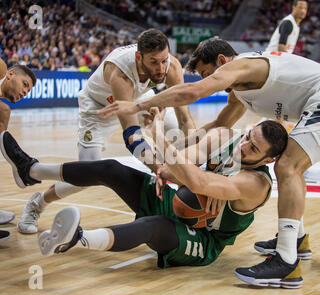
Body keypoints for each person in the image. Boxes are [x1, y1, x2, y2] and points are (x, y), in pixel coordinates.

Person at [98, 38, 320, 288]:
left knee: (287, 166)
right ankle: (295, 239)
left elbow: (194, 91)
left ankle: (286, 261)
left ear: (223, 61)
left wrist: (138, 105)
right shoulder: (240, 88)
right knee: (290, 164)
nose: (209, 80)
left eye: (208, 73)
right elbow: (220, 127)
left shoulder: (243, 66)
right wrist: (176, 151)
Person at [0, 114, 289, 276]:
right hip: (177, 202)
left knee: (153, 226)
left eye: (253, 149)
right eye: (249, 137)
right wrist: (173, 172)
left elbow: (197, 180)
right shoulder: (228, 137)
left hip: (204, 239)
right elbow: (178, 167)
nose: (244, 147)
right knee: (113, 169)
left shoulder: (256, 183)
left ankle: (76, 239)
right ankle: (32, 170)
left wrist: (159, 134)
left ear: (267, 161)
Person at [18, 28, 196, 234]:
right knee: (88, 173)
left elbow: (185, 117)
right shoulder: (121, 73)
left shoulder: (171, 67)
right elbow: (132, 136)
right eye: (154, 62)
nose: (161, 68)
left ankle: (183, 198)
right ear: (139, 57)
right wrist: (158, 169)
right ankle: (37, 203)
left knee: (175, 129)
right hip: (98, 108)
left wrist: (195, 167)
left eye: (164, 60)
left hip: (139, 99)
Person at [0, 57, 36, 242]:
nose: (25, 92)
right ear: (10, 74)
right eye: (25, 84)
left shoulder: (4, 110)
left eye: (28, 90)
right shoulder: (1, 67)